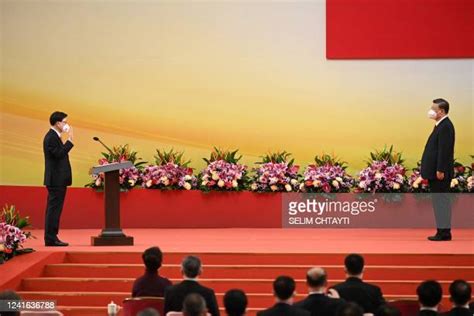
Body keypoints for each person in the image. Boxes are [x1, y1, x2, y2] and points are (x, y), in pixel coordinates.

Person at [420, 98, 455, 241]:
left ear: (441, 111)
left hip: (439, 173)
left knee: (441, 202)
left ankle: (444, 232)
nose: (431, 111)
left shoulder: (445, 126)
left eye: (433, 109)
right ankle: (442, 230)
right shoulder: (440, 125)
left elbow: (444, 150)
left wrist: (440, 169)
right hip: (435, 172)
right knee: (439, 202)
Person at [43, 111, 74, 247]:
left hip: (58, 179)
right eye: (65, 122)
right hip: (55, 179)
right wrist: (70, 141)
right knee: (53, 209)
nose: (66, 125)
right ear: (57, 123)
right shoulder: (51, 137)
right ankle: (51, 238)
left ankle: (52, 236)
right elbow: (58, 154)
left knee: (55, 209)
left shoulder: (56, 136)